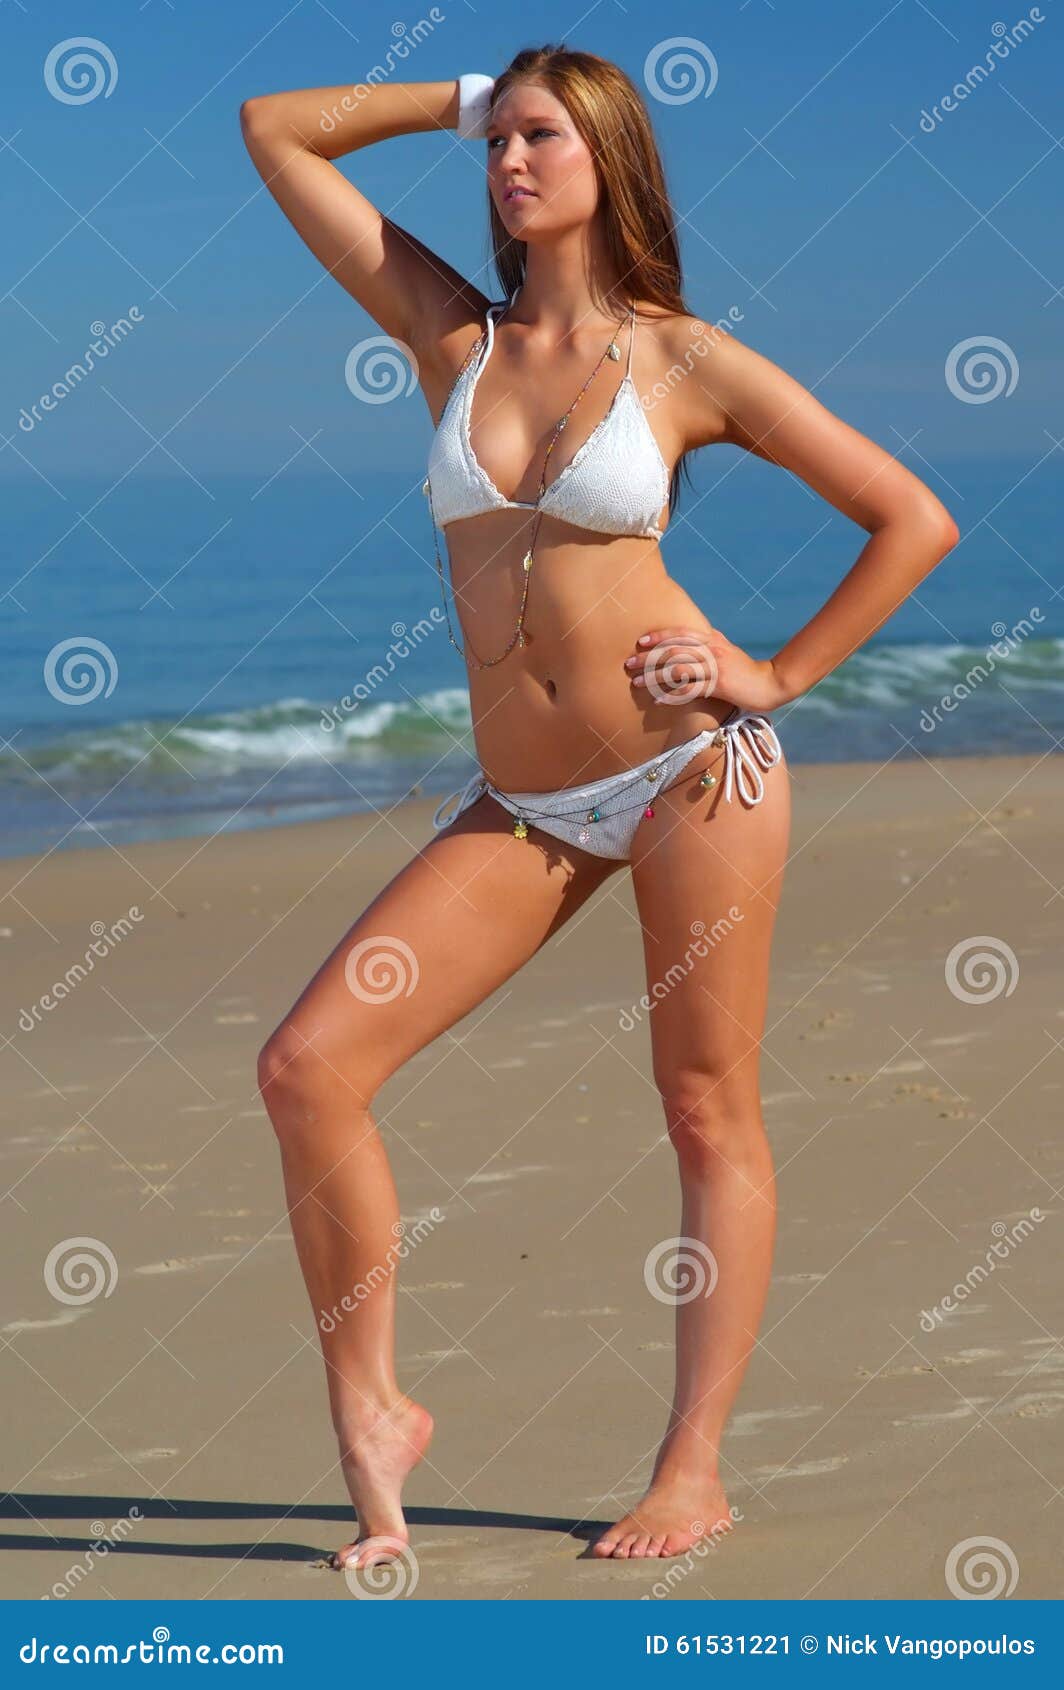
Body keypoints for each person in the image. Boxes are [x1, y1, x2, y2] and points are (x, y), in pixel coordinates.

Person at [242, 44, 959, 1570]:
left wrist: (770, 669)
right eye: (496, 140)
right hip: (526, 802)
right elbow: (277, 132)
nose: (507, 160)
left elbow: (913, 516)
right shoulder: (454, 336)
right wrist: (456, 88)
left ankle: (692, 1467)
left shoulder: (688, 360)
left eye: (540, 134)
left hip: (694, 771)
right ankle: (373, 1412)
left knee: (704, 1108)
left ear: (609, 157)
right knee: (308, 1065)